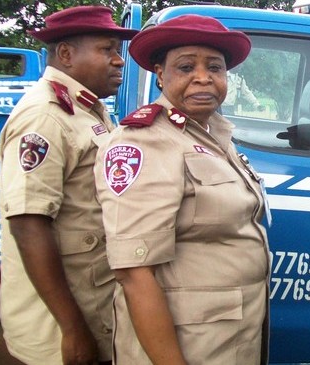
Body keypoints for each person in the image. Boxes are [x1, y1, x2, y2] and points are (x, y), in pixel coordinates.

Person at [93, 15, 270, 364]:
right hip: (183, 344)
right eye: (186, 66)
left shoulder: (211, 133)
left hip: (222, 335)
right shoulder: (146, 141)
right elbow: (134, 270)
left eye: (215, 68)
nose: (203, 77)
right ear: (160, 75)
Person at [0, 6, 137, 365]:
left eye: (117, 52)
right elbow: (29, 224)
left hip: (91, 302)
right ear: (66, 54)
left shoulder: (87, 109)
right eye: (108, 50)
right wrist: (72, 330)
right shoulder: (45, 116)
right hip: (60, 329)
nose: (119, 61)